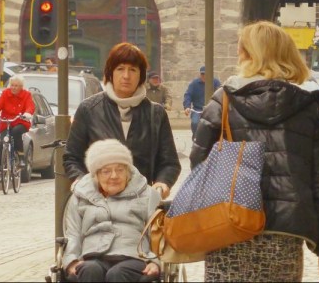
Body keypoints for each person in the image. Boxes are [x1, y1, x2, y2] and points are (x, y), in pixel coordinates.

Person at [189, 21, 319, 282]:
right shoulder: (306, 107)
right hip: (286, 231)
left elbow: (199, 163)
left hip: (229, 226)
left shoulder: (223, 101)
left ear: (249, 54)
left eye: (240, 48)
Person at [63, 42, 181, 199]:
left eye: (133, 70)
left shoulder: (156, 114)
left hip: (141, 203)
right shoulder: (89, 109)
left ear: (141, 75)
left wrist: (162, 183)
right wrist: (82, 182)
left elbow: (170, 162)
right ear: (110, 73)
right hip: (98, 202)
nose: (126, 76)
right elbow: (72, 157)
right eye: (120, 69)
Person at [64, 139, 161, 282]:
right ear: (95, 175)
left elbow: (158, 234)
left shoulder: (147, 194)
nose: (114, 176)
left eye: (120, 169)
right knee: (90, 270)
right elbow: (73, 233)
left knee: (117, 274)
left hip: (134, 257)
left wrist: (155, 262)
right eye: (106, 171)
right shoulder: (80, 196)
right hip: (92, 256)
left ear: (128, 171)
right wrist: (71, 260)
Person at [0, 74, 35, 163]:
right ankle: (1, 160)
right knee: (3, 140)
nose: (13, 87)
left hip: (20, 121)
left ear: (21, 86)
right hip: (6, 121)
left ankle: (20, 156)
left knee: (16, 132)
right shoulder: (5, 93)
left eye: (16, 86)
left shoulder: (26, 95)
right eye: (12, 85)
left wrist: (27, 113)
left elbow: (30, 106)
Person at [182, 66, 222, 139]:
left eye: (206, 74)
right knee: (195, 122)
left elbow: (221, 94)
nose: (204, 76)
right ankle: (196, 137)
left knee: (216, 124)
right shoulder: (194, 83)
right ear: (200, 74)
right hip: (198, 109)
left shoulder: (216, 82)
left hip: (212, 109)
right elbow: (188, 95)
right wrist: (187, 107)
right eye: (202, 74)